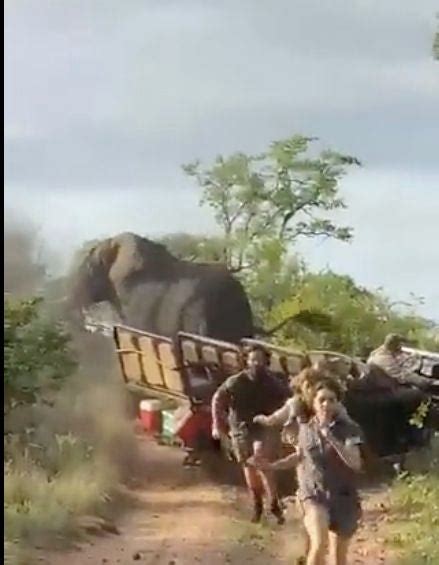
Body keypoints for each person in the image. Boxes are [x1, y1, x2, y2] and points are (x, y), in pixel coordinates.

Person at [253, 378, 364, 565]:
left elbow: (355, 463)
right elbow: (300, 456)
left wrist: (332, 439)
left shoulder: (349, 430)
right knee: (319, 543)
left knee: (339, 559)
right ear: (313, 403)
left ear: (338, 404)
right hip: (313, 493)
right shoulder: (305, 429)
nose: (326, 404)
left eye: (331, 400)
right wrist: (272, 466)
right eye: (321, 400)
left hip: (344, 496)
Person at [211, 345, 289, 523]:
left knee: (261, 459)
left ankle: (274, 502)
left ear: (266, 362)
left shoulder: (273, 382)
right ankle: (257, 505)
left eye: (260, 360)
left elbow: (288, 400)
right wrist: (217, 425)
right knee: (249, 467)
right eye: (253, 359)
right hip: (241, 428)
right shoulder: (236, 382)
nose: (257, 363)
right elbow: (218, 399)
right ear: (246, 360)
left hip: (265, 426)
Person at [368, 334, 439, 391]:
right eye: (400, 344)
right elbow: (402, 376)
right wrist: (430, 382)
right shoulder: (383, 358)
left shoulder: (384, 351)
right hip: (388, 387)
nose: (401, 347)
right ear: (394, 345)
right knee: (418, 393)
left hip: (388, 380)